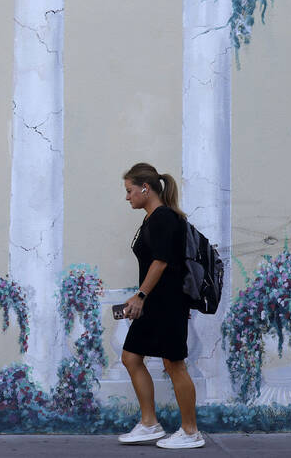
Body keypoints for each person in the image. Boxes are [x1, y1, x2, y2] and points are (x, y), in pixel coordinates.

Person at [116, 163, 204, 450]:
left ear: (145, 188)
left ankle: (191, 432)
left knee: (174, 364)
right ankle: (149, 423)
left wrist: (139, 295)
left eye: (129, 191)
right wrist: (141, 298)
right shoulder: (152, 218)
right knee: (131, 357)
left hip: (166, 302)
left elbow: (162, 261)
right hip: (152, 302)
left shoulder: (164, 218)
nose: (127, 197)